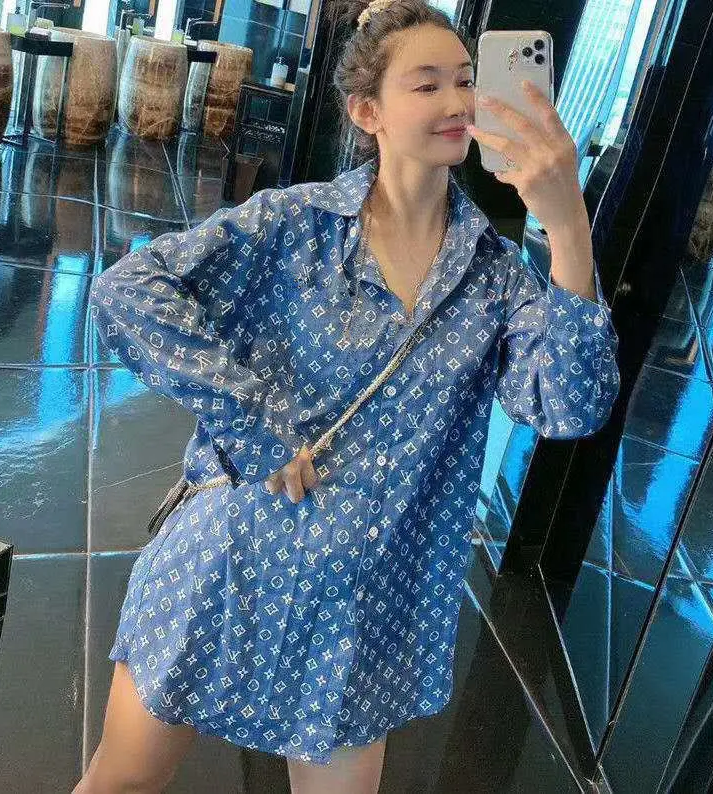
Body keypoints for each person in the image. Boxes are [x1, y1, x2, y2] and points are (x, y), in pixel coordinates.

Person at [74, 0, 620, 791]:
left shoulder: (495, 277)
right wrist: (255, 424)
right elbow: (129, 290)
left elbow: (570, 406)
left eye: (466, 80)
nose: (457, 101)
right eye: (426, 85)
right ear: (369, 112)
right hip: (232, 563)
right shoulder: (296, 224)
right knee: (120, 783)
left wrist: (568, 229)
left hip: (362, 611)